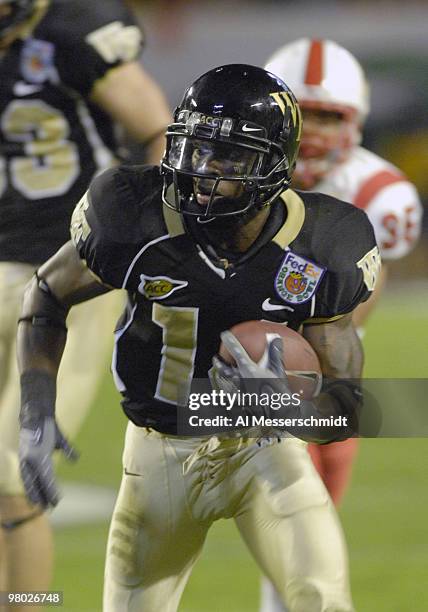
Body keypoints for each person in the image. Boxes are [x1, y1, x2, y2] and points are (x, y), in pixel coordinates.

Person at [17, 63, 380, 611]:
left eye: (228, 157)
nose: (203, 171)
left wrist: (288, 409)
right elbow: (47, 293)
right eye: (194, 149)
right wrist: (36, 406)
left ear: (273, 164)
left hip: (267, 451)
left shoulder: (324, 245)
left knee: (323, 599)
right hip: (159, 453)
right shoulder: (134, 217)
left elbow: (347, 411)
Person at [0, 0, 172, 605]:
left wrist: (153, 244)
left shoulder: (70, 33)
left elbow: (159, 135)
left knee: (14, 478)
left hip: (70, 274)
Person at [259, 38, 423, 612]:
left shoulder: (379, 194)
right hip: (226, 367)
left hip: (322, 366)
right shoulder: (231, 175)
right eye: (303, 114)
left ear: (356, 120)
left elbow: (354, 315)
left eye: (329, 114)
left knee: (315, 509)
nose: (315, 131)